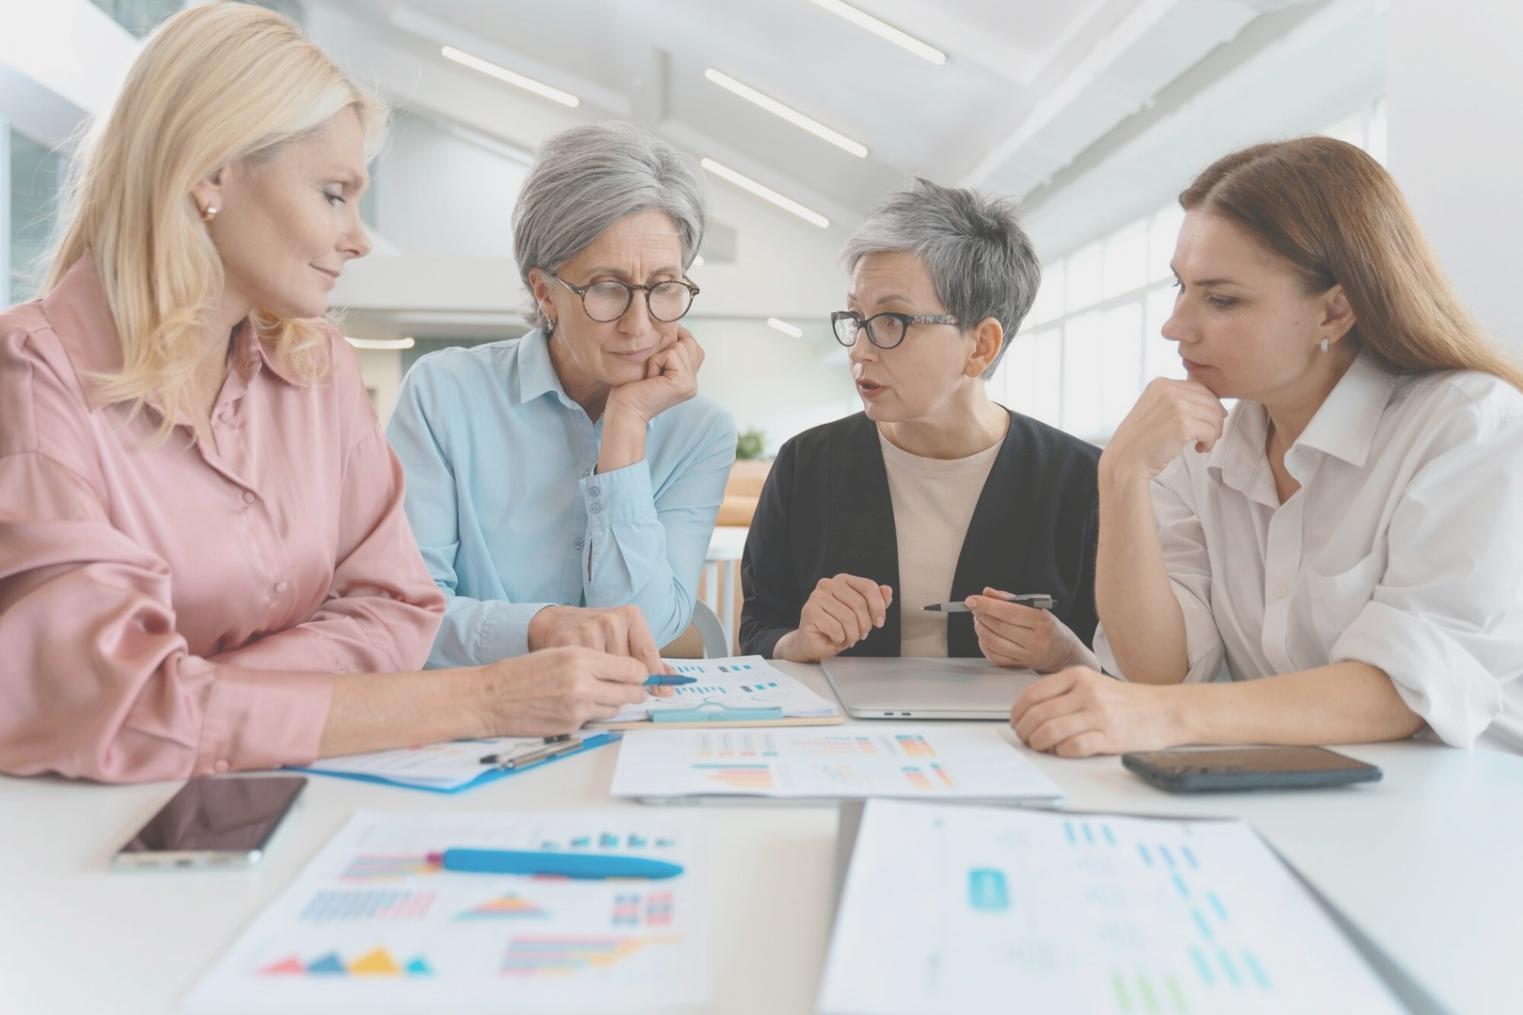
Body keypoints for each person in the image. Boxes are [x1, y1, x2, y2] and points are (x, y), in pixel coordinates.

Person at [0, 3, 651, 784]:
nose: (359, 237)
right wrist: (478, 699)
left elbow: (399, 611)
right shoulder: (36, 374)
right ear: (211, 173)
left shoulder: (319, 368)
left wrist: (206, 689)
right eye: (334, 193)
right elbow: (114, 705)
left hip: (306, 786)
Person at [1011, 137, 1523, 757]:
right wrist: (1120, 476)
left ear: (1336, 311)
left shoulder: (1470, 426)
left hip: (1473, 804)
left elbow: (1404, 688)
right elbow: (1159, 668)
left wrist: (1167, 716)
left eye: (1222, 299)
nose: (1175, 326)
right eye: (1181, 287)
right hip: (1303, 796)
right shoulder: (1199, 444)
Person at [386, 123, 736, 672]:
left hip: (628, 728)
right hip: (472, 723)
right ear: (544, 292)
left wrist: (627, 425)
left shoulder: (701, 430)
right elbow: (404, 613)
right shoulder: (443, 394)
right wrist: (541, 628)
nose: (640, 326)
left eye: (665, 287)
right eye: (607, 288)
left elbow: (646, 623)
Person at [740, 178, 1100, 669]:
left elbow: (1127, 670)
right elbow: (759, 628)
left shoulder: (1083, 481)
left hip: (1019, 738)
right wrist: (798, 641)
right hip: (844, 741)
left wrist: (1066, 653)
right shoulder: (807, 463)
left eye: (893, 321)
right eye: (856, 318)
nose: (860, 350)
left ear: (980, 346)